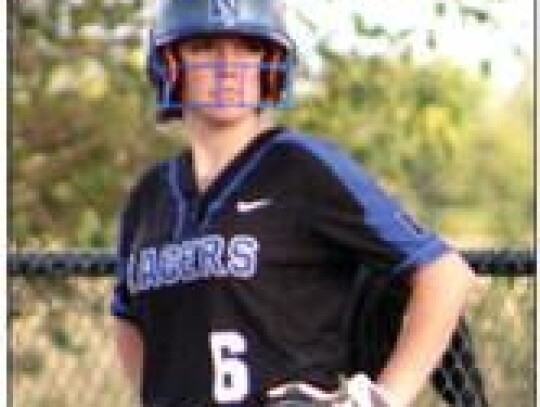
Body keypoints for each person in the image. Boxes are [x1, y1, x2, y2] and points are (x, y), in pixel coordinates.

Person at [110, 0, 476, 406]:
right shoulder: (150, 195)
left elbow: (445, 275)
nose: (228, 66)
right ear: (170, 62)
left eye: (248, 47)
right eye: (205, 46)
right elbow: (127, 317)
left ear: (272, 60)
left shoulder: (301, 168)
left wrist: (383, 398)